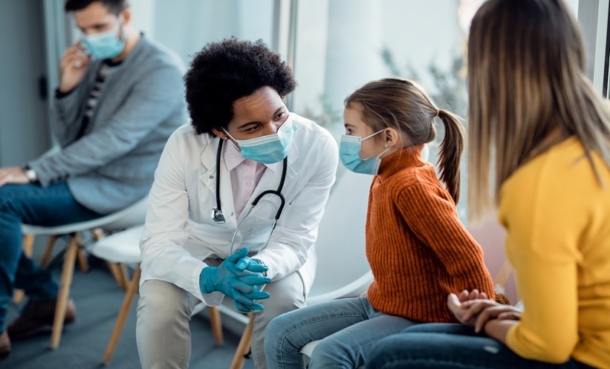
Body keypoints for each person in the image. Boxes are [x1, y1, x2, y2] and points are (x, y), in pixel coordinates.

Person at [365, 1, 610, 368]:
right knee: (406, 341)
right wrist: (504, 314)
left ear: (490, 71)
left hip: (590, 357)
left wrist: (493, 321)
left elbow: (548, 345)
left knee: (391, 355)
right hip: (585, 334)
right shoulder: (594, 145)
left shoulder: (539, 184)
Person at [264, 77, 497, 369]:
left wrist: (481, 317)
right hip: (380, 302)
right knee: (279, 332)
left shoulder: (411, 185)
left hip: (418, 316)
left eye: (350, 130)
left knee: (331, 354)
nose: (345, 138)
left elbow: (466, 255)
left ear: (388, 138)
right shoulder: (384, 176)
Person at [136, 38, 338, 369]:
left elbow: (295, 238)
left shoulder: (317, 146)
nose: (274, 131)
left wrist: (264, 266)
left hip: (273, 249)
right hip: (198, 247)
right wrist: (208, 278)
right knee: (159, 303)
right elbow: (158, 243)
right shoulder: (184, 146)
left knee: (282, 305)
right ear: (219, 131)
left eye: (279, 115)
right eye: (252, 127)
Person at [0, 0, 185, 358]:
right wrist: (67, 88)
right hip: (83, 175)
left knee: (3, 200)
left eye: (98, 27)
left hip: (121, 189)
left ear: (125, 17)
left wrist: (32, 171)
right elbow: (71, 139)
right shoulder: (98, 62)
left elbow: (113, 140)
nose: (89, 37)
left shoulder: (161, 70)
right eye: (83, 29)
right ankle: (46, 296)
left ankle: (44, 298)